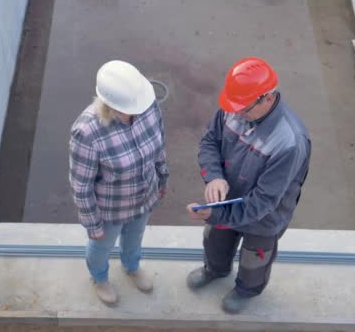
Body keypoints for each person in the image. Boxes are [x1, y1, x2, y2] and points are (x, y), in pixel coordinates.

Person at [185, 57, 311, 314]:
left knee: (256, 258)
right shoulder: (235, 106)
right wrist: (214, 177)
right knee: (215, 241)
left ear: (267, 98)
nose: (236, 113)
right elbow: (210, 141)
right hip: (227, 199)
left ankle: (246, 289)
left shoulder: (289, 142)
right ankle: (215, 270)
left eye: (243, 108)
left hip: (264, 217)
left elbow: (263, 202)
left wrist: (216, 213)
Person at [69, 60, 169, 306]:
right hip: (110, 209)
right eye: (129, 109)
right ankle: (99, 278)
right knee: (101, 247)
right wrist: (93, 224)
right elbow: (81, 186)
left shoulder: (147, 107)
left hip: (144, 196)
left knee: (135, 236)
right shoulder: (87, 132)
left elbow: (159, 147)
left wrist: (162, 178)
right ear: (110, 104)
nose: (137, 112)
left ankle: (131, 266)